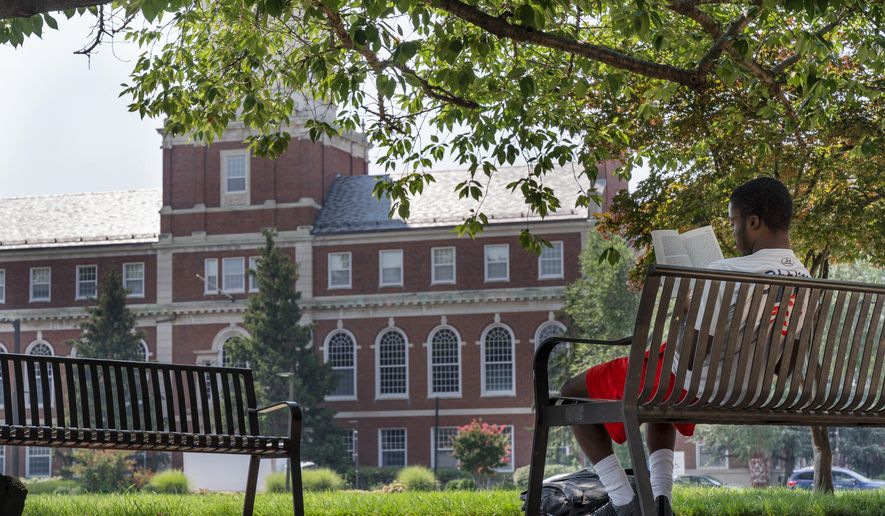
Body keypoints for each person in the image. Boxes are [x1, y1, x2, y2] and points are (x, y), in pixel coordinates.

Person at [560, 177, 810, 515]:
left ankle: (624, 502)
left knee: (572, 392)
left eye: (734, 223)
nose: (734, 232)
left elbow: (691, 357)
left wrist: (683, 309)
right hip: (746, 391)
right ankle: (660, 501)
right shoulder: (807, 281)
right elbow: (787, 365)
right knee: (660, 397)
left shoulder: (726, 272)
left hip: (694, 382)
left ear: (753, 222)